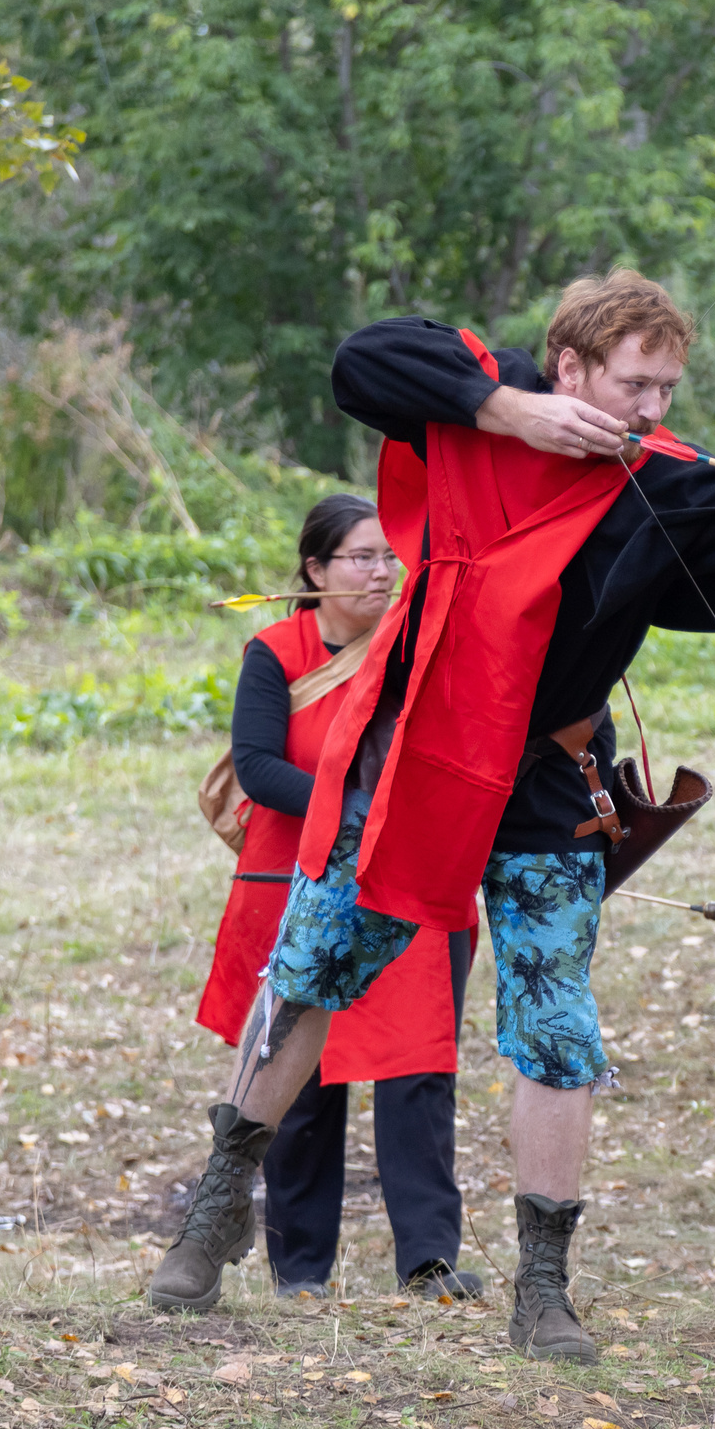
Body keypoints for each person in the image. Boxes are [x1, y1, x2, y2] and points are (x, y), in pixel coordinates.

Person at [147, 267, 715, 1356]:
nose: (653, 409)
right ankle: (217, 1210)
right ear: (570, 368)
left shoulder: (660, 482)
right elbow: (363, 358)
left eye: (668, 388)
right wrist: (508, 411)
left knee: (554, 1017)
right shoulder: (479, 406)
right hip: (417, 752)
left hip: (550, 777)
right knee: (314, 967)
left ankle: (542, 1287)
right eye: (634, 383)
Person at [187, 493, 482, 1306]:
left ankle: (428, 1263)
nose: (382, 572)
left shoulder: (416, 644)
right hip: (303, 879)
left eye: (391, 557)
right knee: (302, 1079)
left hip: (408, 880)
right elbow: (256, 766)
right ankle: (302, 1272)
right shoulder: (275, 652)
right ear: (314, 571)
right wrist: (355, 806)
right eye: (361, 557)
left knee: (417, 1070)